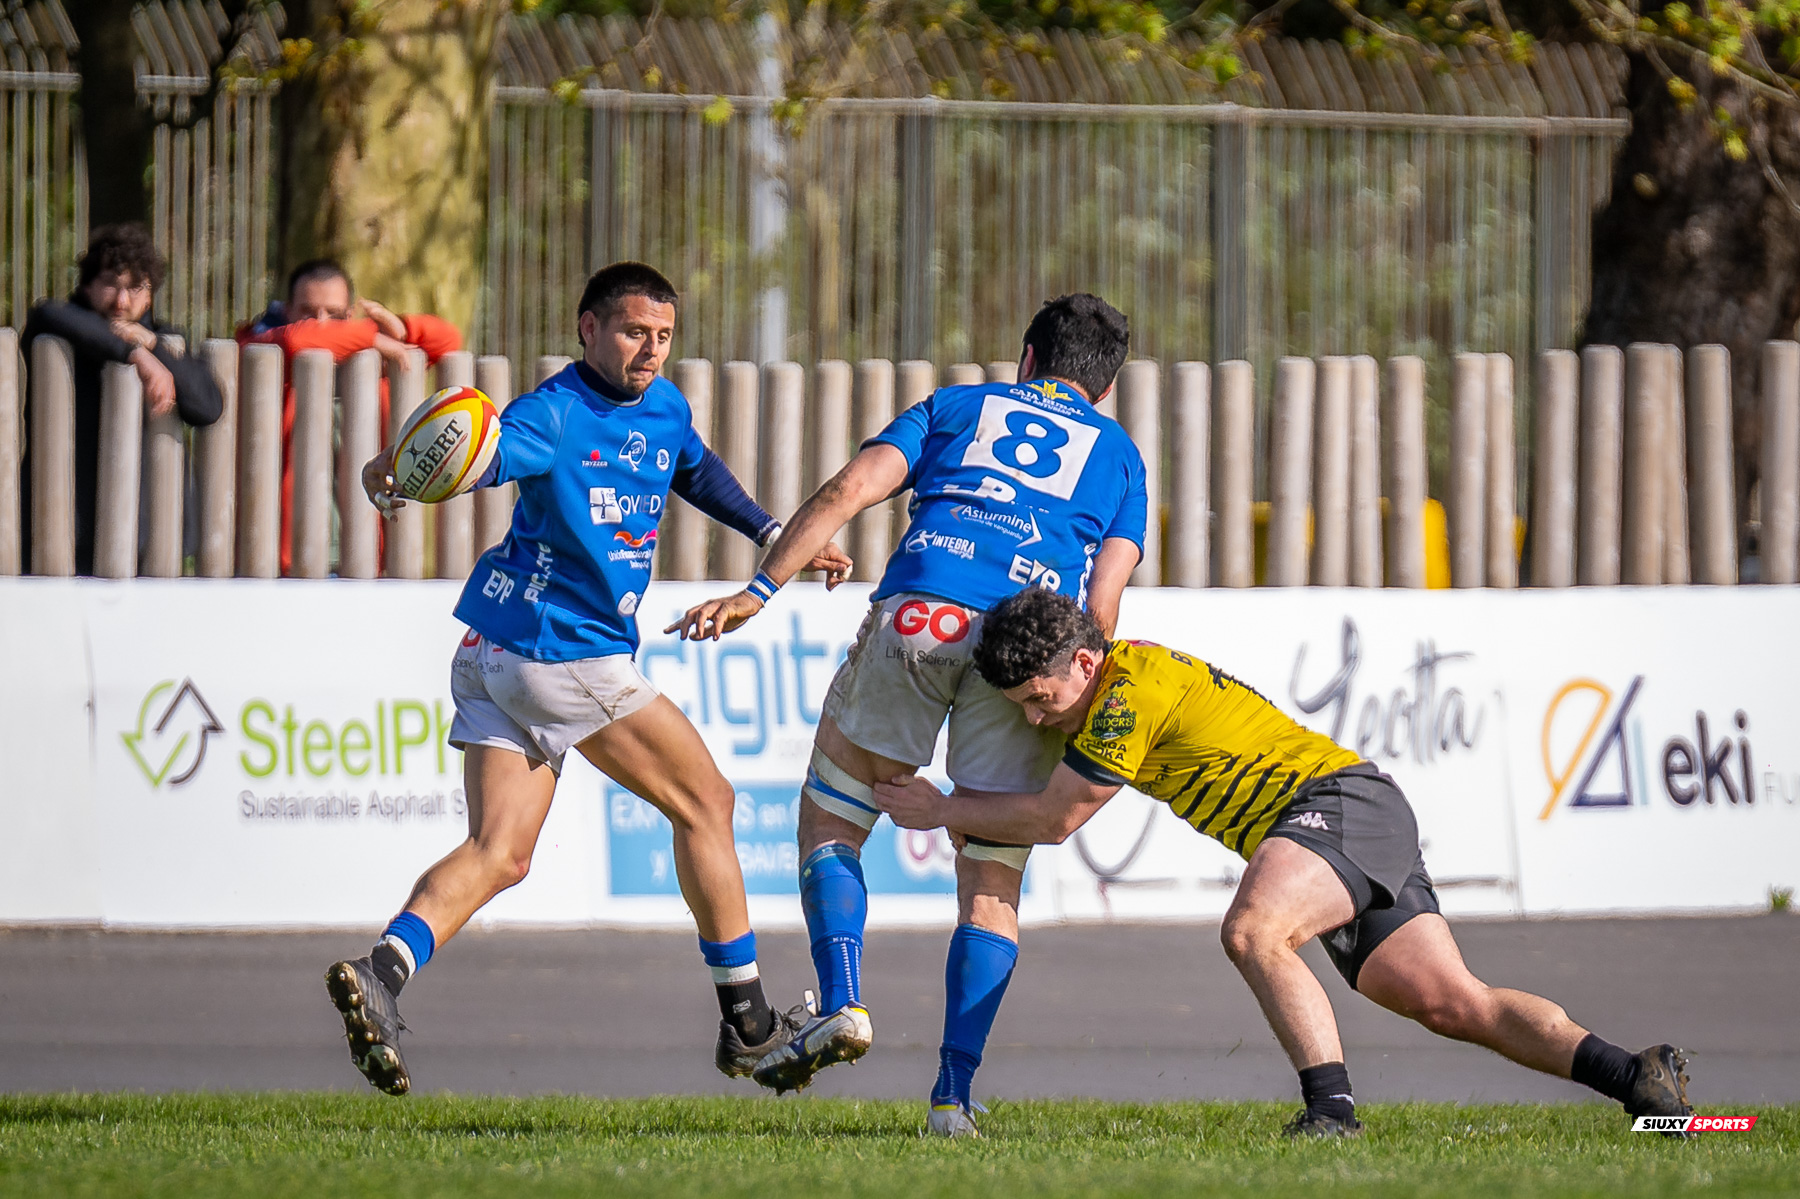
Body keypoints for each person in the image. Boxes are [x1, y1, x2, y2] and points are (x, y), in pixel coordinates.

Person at [874, 588, 1697, 1138]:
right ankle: (1637, 1079)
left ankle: (1330, 1112)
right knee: (1453, 1001)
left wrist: (942, 808)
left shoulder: (1125, 693)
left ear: (1084, 663)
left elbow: (1057, 818)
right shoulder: (1113, 687)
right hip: (1351, 814)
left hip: (1337, 805)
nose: (1035, 718)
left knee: (1254, 931)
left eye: (1038, 698)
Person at [329, 261, 851, 1096]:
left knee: (500, 852)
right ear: (588, 328)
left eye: (664, 335)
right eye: (634, 331)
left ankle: (381, 971)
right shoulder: (553, 412)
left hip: (493, 651)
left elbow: (692, 467)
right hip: (562, 652)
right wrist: (397, 465)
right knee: (708, 801)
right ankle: (750, 1023)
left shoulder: (664, 405)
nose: (651, 350)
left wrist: (773, 531)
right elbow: (483, 451)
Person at [669, 294, 1148, 1135]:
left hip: (922, 613)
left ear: (1026, 357)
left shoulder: (958, 405)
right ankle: (951, 1097)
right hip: (1028, 645)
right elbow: (1103, 600)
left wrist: (758, 591)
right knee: (992, 880)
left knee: (832, 818)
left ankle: (844, 1000)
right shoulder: (1120, 456)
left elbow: (850, 489)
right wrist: (1073, 701)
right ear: (1104, 390)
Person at [235, 259, 461, 574]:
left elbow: (449, 340)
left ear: (350, 314)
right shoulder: (267, 351)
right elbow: (296, 340)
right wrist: (371, 335)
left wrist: (400, 327)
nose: (321, 322)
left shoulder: (375, 365)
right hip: (285, 561)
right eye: (307, 312)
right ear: (286, 311)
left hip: (364, 559)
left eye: (335, 314)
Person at [20, 223, 222, 575]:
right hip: (62, 531)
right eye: (110, 284)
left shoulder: (164, 339)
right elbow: (48, 312)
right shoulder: (58, 329)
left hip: (150, 538)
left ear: (151, 294)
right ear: (86, 285)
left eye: (135, 287)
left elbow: (208, 407)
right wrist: (135, 355)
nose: (121, 300)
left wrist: (153, 346)